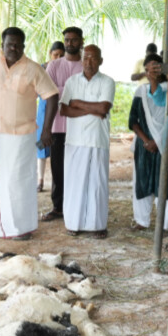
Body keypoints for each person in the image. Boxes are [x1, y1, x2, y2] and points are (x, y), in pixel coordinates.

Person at [0, 28, 57, 241]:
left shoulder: (33, 69)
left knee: (19, 180)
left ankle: (21, 228)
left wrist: (47, 129)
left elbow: (52, 96)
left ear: (23, 45)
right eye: (9, 44)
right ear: (1, 45)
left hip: (23, 134)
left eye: (18, 44)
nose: (13, 48)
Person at [58, 43, 115, 236]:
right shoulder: (72, 82)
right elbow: (64, 109)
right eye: (85, 58)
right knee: (75, 184)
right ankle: (73, 224)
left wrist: (77, 104)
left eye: (93, 58)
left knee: (97, 183)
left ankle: (98, 226)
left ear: (101, 61)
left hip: (98, 140)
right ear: (82, 60)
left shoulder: (107, 82)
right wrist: (92, 108)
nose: (88, 62)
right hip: (75, 140)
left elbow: (103, 109)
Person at [39, 29, 84, 218]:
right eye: (67, 40)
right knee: (57, 168)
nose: (70, 43)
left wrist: (62, 90)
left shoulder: (86, 65)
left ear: (81, 41)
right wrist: (72, 90)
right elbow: (48, 92)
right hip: (57, 126)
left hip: (80, 126)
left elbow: (87, 93)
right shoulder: (54, 65)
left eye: (74, 40)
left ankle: (76, 206)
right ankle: (58, 207)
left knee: (77, 168)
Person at [130, 46, 168, 227]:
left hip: (164, 143)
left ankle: (164, 223)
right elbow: (133, 120)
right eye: (148, 69)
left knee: (163, 183)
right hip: (144, 145)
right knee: (142, 180)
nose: (151, 72)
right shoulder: (140, 91)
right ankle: (141, 220)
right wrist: (146, 140)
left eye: (156, 67)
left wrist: (158, 140)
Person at [39, 40, 63, 192]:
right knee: (41, 147)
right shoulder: (41, 68)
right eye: (56, 54)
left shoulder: (64, 68)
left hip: (60, 114)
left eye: (61, 55)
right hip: (43, 110)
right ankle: (40, 179)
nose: (58, 57)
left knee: (56, 152)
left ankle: (56, 182)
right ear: (50, 54)